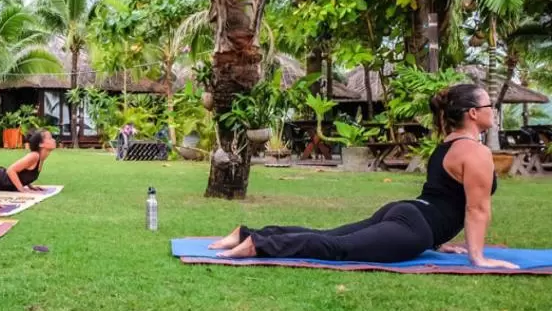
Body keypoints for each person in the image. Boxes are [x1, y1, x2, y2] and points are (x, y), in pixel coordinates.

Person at [209, 84, 518, 269]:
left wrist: (442, 242)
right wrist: (478, 257)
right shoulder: (475, 152)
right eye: (489, 104)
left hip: (408, 215)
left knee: (330, 236)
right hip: (414, 227)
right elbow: (476, 209)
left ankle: (246, 232)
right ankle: (259, 244)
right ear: (473, 113)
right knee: (338, 249)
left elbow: (444, 199)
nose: (493, 109)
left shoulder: (448, 146)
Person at [0, 128, 56, 193]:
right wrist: (22, 189)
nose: (54, 140)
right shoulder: (34, 156)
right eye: (50, 138)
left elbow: (25, 173)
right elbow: (11, 170)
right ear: (41, 144)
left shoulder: (41, 158)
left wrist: (30, 186)